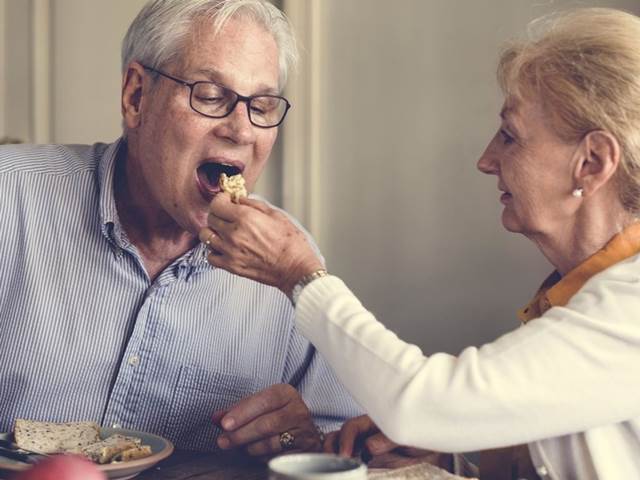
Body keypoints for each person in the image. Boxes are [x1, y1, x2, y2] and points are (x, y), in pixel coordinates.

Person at [199, 7, 640, 479]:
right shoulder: (580, 294)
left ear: (591, 163)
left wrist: (301, 276)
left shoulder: (628, 307)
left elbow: (425, 403)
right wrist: (446, 457)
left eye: (510, 136)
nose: (486, 160)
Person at [0, 0, 362, 460]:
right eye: (211, 96)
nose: (243, 130)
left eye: (263, 106)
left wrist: (300, 437)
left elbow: (341, 445)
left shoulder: (290, 264)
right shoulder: (8, 200)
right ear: (136, 97)